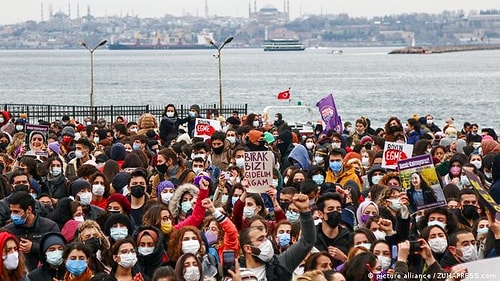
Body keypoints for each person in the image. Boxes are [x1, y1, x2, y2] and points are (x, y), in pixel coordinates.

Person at [238, 193, 316, 281]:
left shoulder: (281, 264)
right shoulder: (235, 272)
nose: (266, 242)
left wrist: (305, 211)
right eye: (260, 239)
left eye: (265, 238)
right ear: (248, 248)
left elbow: (307, 241)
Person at [4, 191, 60, 270]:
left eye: (16, 212)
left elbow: (57, 253)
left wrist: (34, 247)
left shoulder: (50, 227)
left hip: (43, 272)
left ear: (29, 210)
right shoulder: (8, 230)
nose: (13, 215)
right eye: (11, 211)